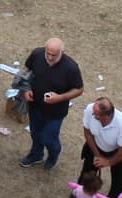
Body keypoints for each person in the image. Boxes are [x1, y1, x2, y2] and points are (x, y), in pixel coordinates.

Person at [19, 37, 84, 170]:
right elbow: (25, 72)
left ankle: (53, 156)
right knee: (35, 132)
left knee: (49, 137)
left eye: (53, 55)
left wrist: (59, 98)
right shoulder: (37, 54)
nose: (49, 57)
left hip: (56, 112)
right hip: (35, 105)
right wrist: (26, 89)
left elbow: (79, 89)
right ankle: (36, 155)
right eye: (47, 53)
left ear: (62, 52)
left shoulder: (71, 67)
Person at [80, 97, 122, 198]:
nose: (92, 114)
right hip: (96, 145)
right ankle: (80, 191)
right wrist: (97, 155)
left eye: (96, 114)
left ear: (107, 115)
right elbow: (88, 133)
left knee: (118, 180)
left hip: (118, 152)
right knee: (87, 171)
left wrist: (108, 162)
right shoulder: (90, 109)